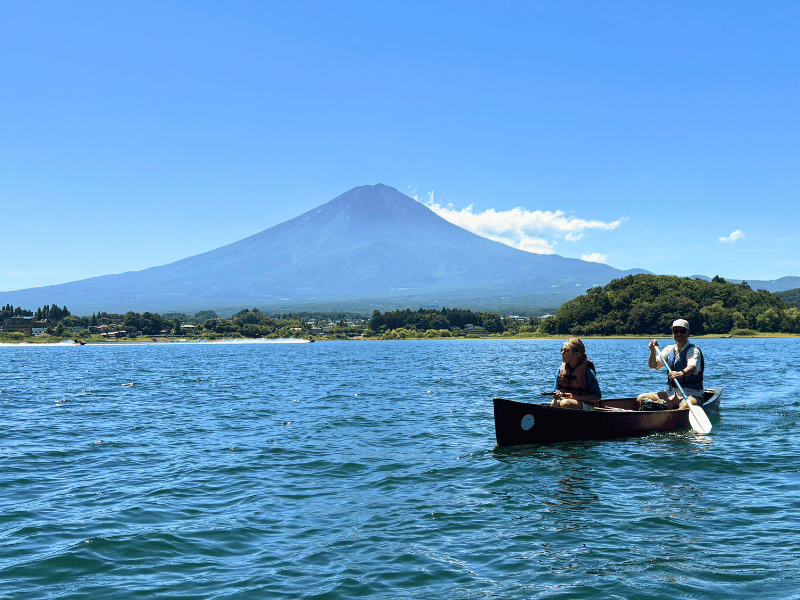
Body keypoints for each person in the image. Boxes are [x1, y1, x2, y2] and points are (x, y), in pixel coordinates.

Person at [636, 319, 705, 410]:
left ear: (688, 333)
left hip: (691, 394)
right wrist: (653, 351)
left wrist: (680, 373)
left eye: (682, 331)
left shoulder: (693, 350)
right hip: (671, 394)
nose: (679, 334)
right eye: (676, 331)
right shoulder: (669, 349)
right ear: (673, 333)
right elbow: (653, 365)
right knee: (641, 398)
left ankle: (674, 415)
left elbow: (692, 367)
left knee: (684, 407)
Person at [550, 338, 602, 410]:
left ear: (576, 354)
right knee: (554, 403)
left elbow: (598, 396)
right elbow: (556, 389)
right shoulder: (560, 370)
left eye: (566, 351)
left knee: (566, 403)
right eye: (562, 350)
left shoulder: (588, 371)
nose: (562, 352)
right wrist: (556, 394)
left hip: (587, 406)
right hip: (566, 401)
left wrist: (574, 397)